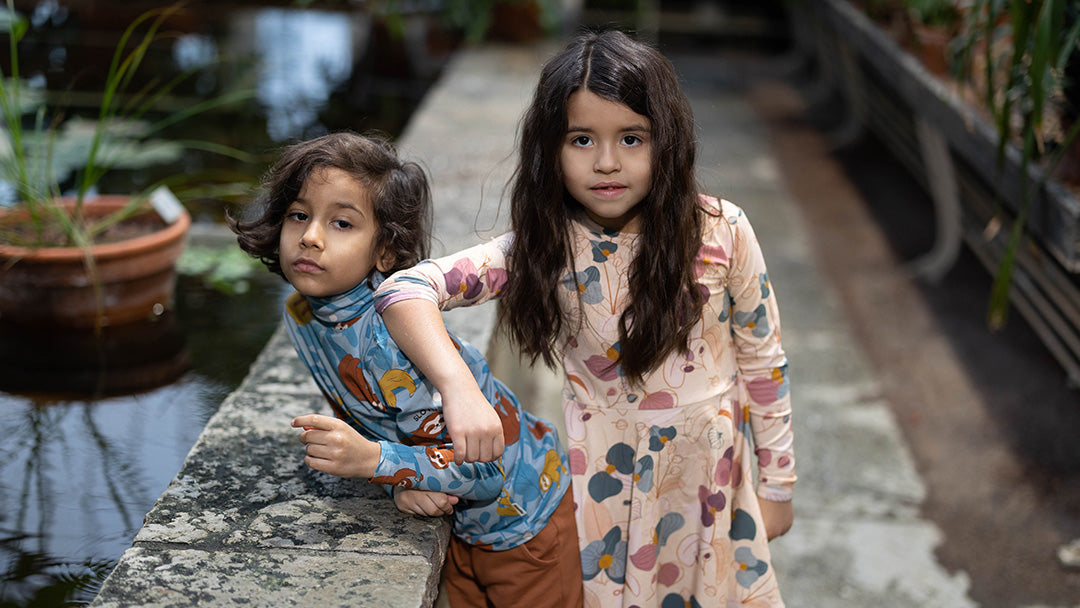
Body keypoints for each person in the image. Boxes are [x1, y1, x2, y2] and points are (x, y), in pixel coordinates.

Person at [373, 30, 796, 607]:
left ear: (666, 141)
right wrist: (457, 389)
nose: (606, 162)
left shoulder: (720, 232)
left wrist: (777, 486)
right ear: (550, 148)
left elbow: (764, 363)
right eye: (581, 139)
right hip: (601, 485)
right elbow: (406, 289)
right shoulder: (543, 248)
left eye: (631, 137)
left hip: (708, 487)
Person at [228, 132, 583, 608]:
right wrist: (403, 478)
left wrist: (376, 463)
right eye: (299, 215)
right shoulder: (304, 313)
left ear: (386, 254)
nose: (311, 236)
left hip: (525, 523)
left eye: (341, 223)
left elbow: (485, 472)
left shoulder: (389, 345)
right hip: (460, 522)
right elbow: (364, 410)